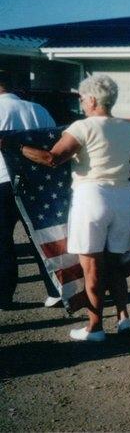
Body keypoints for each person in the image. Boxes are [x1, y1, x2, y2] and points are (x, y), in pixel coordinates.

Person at [16, 74, 130, 341]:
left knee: (91, 266)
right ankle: (123, 317)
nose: (82, 103)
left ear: (93, 99)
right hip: (123, 197)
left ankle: (95, 327)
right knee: (116, 262)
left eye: (83, 99)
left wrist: (18, 147)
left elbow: (52, 158)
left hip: (92, 196)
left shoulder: (81, 127)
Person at [0, 70, 61, 310]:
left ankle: (4, 294)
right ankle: (55, 289)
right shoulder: (38, 110)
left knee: (2, 242)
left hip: (2, 180)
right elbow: (54, 142)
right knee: (41, 239)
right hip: (36, 182)